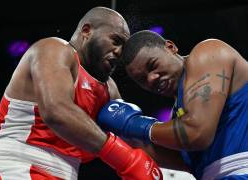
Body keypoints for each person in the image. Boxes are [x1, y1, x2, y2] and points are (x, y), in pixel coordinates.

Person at [0, 9, 163, 180]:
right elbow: (56, 111)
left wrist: (185, 163)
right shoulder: (54, 49)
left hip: (64, 173)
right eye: (116, 41)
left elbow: (133, 140)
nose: (119, 52)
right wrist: (125, 159)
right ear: (86, 31)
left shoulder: (108, 88)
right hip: (17, 163)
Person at [97, 30, 248, 179]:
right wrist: (120, 133)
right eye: (142, 79)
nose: (151, 79)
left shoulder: (208, 54)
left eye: (153, 65)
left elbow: (197, 133)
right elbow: (187, 161)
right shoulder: (179, 113)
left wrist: (136, 124)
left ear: (170, 47)